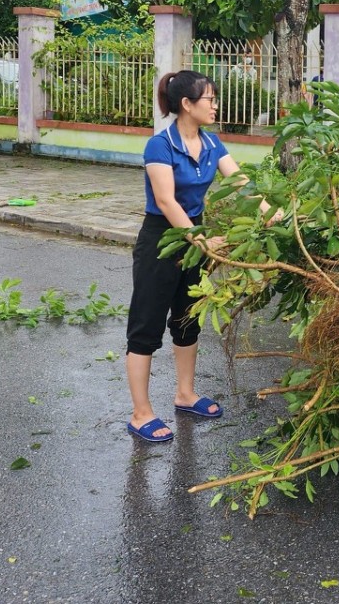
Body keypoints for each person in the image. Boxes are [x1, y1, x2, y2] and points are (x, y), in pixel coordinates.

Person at [126, 70, 255, 443]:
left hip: (195, 236)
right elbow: (166, 201)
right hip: (161, 239)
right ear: (186, 104)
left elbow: (241, 184)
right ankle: (141, 412)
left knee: (188, 318)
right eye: (209, 99)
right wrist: (200, 240)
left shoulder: (213, 144)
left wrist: (273, 213)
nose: (215, 105)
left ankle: (185, 394)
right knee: (146, 324)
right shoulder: (159, 145)